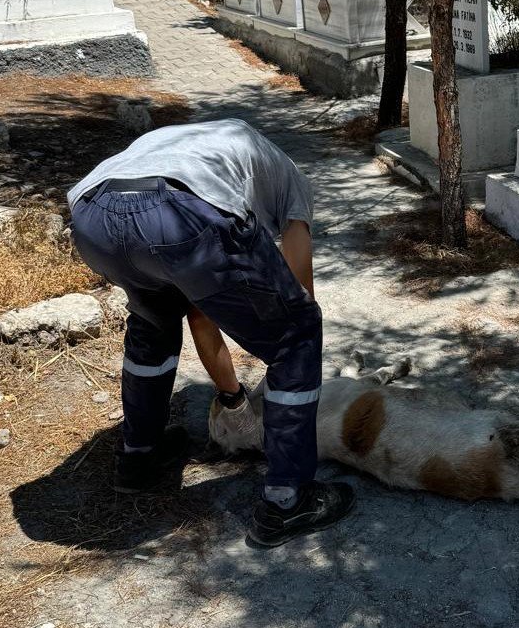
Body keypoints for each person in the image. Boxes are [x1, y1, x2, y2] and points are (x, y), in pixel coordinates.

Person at [68, 118, 354, 548]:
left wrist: (232, 396)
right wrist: (292, 338)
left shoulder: (203, 145)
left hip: (92, 216)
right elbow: (298, 279)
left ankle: (139, 458)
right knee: (298, 334)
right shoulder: (291, 179)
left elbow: (200, 312)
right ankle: (288, 500)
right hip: (179, 214)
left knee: (153, 324)